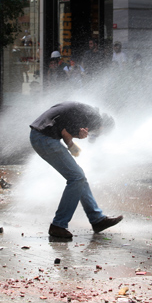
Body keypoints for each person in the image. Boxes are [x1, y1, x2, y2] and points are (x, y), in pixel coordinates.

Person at [29, 101, 122, 239]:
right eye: (100, 132)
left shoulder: (87, 112)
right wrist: (77, 139)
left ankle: (97, 220)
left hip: (41, 136)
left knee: (80, 178)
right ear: (102, 127)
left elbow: (65, 130)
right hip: (45, 139)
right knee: (77, 178)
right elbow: (66, 132)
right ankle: (58, 225)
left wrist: (73, 145)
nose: (95, 134)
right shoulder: (94, 118)